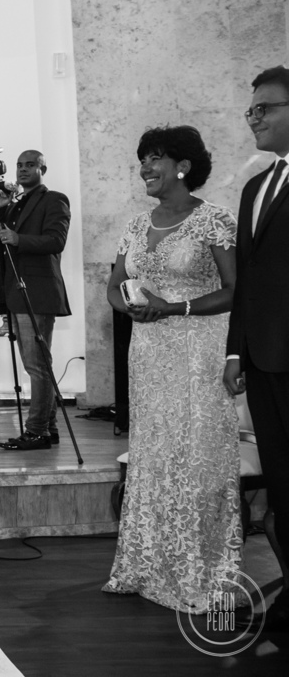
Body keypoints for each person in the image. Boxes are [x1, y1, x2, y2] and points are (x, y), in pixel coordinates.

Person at [102, 126, 242, 613]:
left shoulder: (214, 220)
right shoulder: (136, 225)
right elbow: (114, 285)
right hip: (148, 352)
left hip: (200, 350)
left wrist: (176, 308)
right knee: (154, 454)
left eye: (155, 157)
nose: (144, 167)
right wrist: (130, 307)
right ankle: (145, 565)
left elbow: (236, 290)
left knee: (197, 457)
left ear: (183, 166)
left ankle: (203, 573)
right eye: (142, 159)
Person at [224, 65, 289, 631]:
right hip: (264, 360)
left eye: (265, 108)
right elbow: (247, 278)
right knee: (283, 483)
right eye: (251, 110)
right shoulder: (255, 187)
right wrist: (234, 352)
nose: (254, 118)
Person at [0, 150, 71, 451]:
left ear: (42, 169)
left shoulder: (54, 199)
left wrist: (19, 239)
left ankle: (36, 431)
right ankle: (49, 428)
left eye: (30, 165)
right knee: (36, 365)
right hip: (15, 292)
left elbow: (56, 241)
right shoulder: (14, 204)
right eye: (20, 165)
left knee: (37, 366)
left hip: (37, 292)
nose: (23, 170)